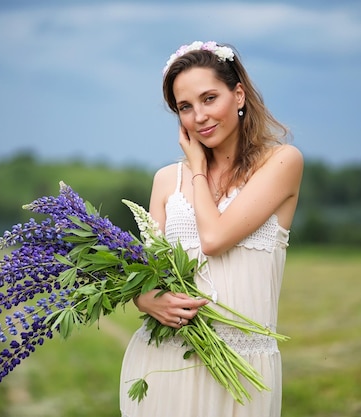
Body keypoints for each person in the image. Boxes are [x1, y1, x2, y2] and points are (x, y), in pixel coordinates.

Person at [119, 41, 303, 417]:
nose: (199, 116)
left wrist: (198, 168)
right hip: (165, 360)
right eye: (185, 107)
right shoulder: (166, 181)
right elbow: (147, 275)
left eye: (209, 98)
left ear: (238, 94)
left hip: (243, 367)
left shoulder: (282, 162)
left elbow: (215, 238)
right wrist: (146, 299)